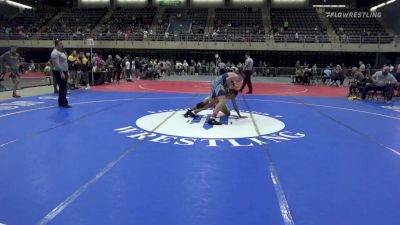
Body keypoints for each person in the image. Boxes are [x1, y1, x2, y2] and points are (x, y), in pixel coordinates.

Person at [50, 39, 71, 108]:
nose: (62, 45)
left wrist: (66, 72)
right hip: (59, 72)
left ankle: (61, 102)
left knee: (63, 87)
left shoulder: (61, 52)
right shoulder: (54, 53)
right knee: (63, 87)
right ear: (56, 45)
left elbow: (64, 63)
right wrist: (61, 72)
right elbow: (56, 64)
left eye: (62, 44)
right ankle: (64, 103)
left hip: (64, 71)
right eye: (60, 44)